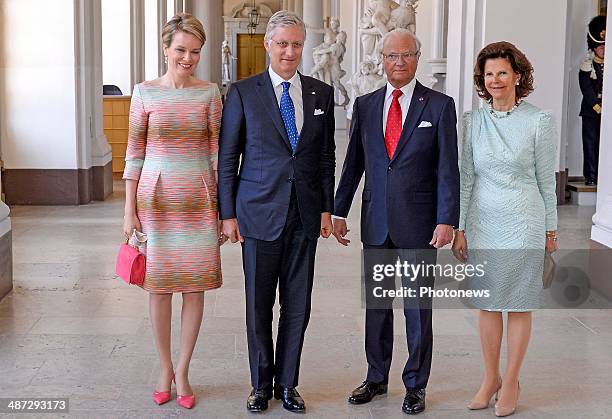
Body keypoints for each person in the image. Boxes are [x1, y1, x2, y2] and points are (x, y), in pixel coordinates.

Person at [333, 28, 459, 415]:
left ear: (417, 57)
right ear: (382, 60)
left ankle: (416, 384)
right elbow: (354, 162)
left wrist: (446, 219)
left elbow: (447, 169)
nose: (398, 62)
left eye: (406, 55)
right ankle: (375, 376)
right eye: (391, 56)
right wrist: (339, 210)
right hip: (376, 221)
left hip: (421, 224)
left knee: (418, 308)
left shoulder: (438, 105)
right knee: (377, 306)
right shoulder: (367, 104)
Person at [217, 10, 336, 414]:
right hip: (258, 214)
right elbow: (228, 156)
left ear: (304, 46)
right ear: (268, 44)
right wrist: (228, 214)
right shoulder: (243, 92)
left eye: (296, 44)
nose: (289, 51)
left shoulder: (321, 93)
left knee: (298, 305)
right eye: (282, 43)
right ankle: (259, 384)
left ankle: (288, 384)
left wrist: (326, 209)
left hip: (304, 215)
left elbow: (325, 158)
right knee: (258, 304)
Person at [451, 41, 558, 417]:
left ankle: (511, 379)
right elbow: (465, 179)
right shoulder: (471, 122)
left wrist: (550, 230)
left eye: (502, 72)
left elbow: (547, 181)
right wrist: (460, 227)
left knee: (519, 302)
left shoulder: (538, 121)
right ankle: (490, 377)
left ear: (517, 76)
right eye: (488, 73)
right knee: (487, 302)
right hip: (483, 221)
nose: (495, 79)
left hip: (526, 220)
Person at [122, 13, 223, 410]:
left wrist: (221, 210)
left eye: (194, 51)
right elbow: (134, 153)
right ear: (165, 49)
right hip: (156, 199)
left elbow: (217, 155)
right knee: (159, 287)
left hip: (199, 199)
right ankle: (164, 367)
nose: (187, 58)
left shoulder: (210, 93)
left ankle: (183, 369)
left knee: (193, 286)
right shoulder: (144, 92)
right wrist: (128, 211)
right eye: (180, 49)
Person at [579, 15, 606, 186]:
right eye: (600, 47)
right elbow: (586, 89)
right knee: (590, 144)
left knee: (604, 146)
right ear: (594, 47)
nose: (603, 50)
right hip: (591, 111)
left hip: (607, 111)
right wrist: (597, 107)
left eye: (605, 46)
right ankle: (591, 176)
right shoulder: (586, 65)